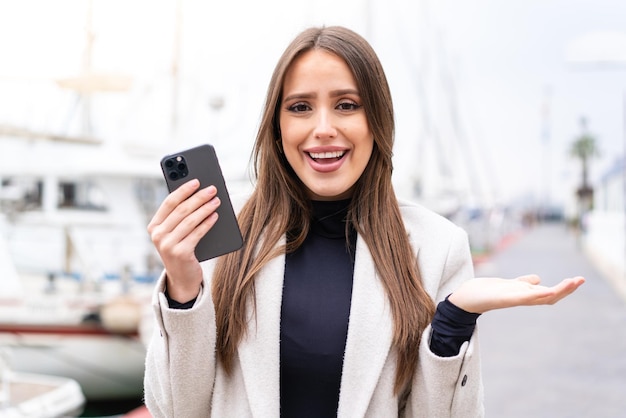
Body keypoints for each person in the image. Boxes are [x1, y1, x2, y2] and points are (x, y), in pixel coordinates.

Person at [143, 26, 584, 418]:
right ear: (276, 127)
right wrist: (184, 290)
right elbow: (177, 411)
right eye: (299, 107)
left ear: (377, 120)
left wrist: (454, 319)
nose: (323, 128)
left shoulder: (437, 247)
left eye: (347, 105)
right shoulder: (225, 233)